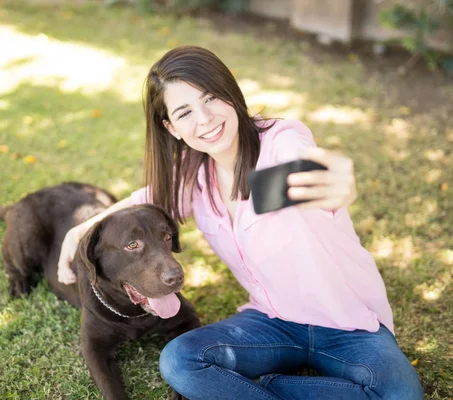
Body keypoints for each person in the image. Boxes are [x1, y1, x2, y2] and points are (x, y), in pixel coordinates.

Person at [57, 46, 424, 400]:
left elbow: (309, 165)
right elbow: (141, 200)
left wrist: (331, 178)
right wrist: (79, 231)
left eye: (211, 98)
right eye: (185, 113)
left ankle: (250, 389)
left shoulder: (281, 142)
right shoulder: (192, 176)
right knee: (180, 362)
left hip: (350, 326)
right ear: (171, 127)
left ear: (231, 94)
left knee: (400, 393)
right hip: (272, 322)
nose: (205, 119)